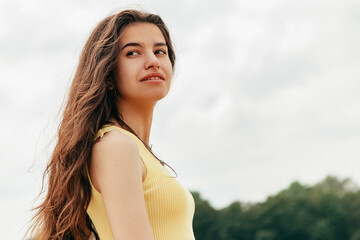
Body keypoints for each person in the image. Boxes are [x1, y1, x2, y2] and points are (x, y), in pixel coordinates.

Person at [28, 9, 195, 240]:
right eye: (133, 53)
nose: (153, 61)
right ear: (107, 74)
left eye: (160, 51)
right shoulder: (116, 146)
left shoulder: (132, 149)